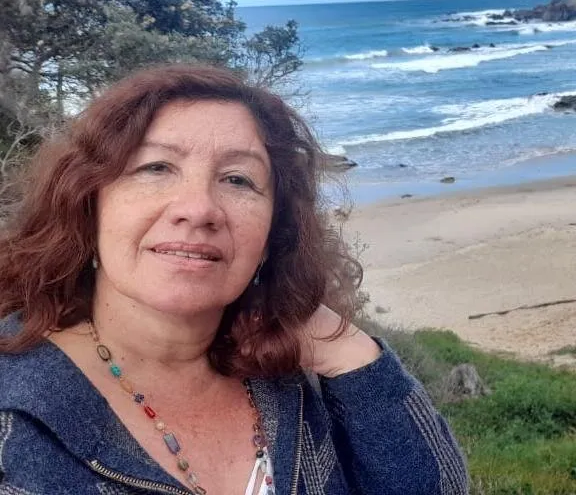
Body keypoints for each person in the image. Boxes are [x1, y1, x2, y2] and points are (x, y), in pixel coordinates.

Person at [0, 65, 468, 495]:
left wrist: (351, 355)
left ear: (271, 234)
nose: (198, 209)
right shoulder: (17, 418)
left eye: (238, 180)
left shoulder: (291, 374)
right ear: (88, 204)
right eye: (156, 168)